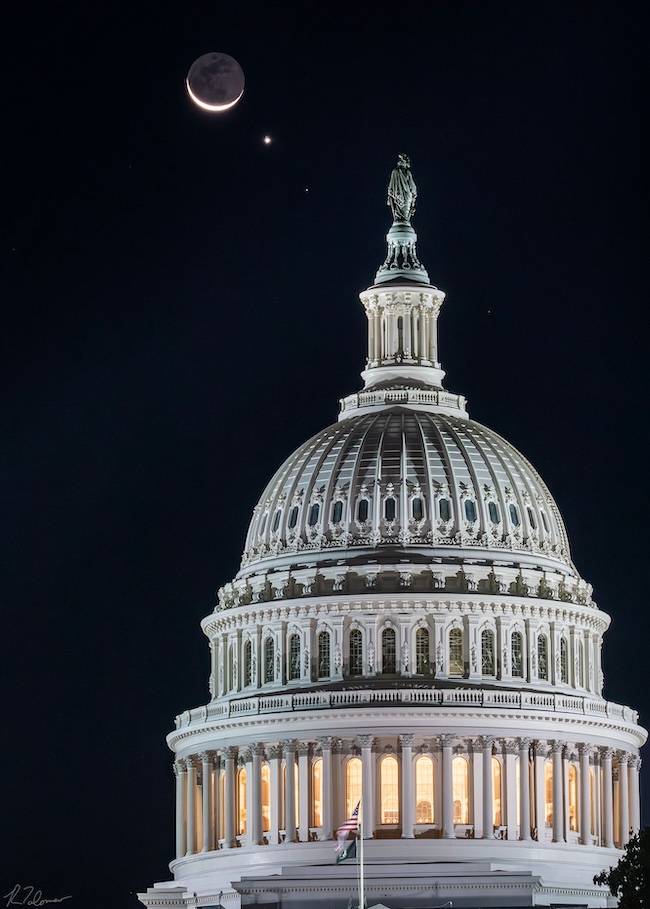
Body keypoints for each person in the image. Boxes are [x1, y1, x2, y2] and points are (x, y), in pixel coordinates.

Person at [387, 153, 417, 223]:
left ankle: (402, 222)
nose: (399, 161)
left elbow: (412, 186)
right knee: (401, 215)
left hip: (403, 196)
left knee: (403, 216)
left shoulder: (406, 172)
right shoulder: (395, 172)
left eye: (401, 159)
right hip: (403, 196)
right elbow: (413, 187)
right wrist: (414, 194)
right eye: (399, 160)